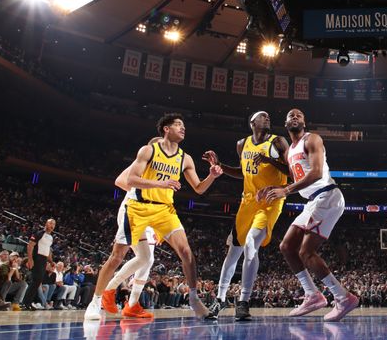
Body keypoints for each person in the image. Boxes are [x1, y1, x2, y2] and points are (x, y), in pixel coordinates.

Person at [84, 113, 222, 320]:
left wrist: (212, 175)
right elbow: (130, 179)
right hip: (138, 207)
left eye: (183, 125)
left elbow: (199, 189)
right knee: (117, 257)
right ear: (166, 129)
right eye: (178, 125)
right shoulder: (148, 150)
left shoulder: (186, 158)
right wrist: (162, 183)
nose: (183, 128)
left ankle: (194, 299)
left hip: (164, 209)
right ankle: (95, 302)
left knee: (186, 252)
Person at [258, 108, 359, 322]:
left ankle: (343, 297)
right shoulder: (289, 151)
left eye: (299, 115)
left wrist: (285, 190)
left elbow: (315, 172)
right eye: (291, 115)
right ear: (285, 124)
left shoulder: (312, 139)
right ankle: (312, 295)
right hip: (312, 201)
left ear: (304, 122)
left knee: (306, 252)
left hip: (327, 196)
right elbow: (294, 173)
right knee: (286, 247)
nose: (295, 117)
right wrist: (271, 179)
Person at [202, 110, 289, 321]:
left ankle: (243, 301)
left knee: (251, 244)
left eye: (268, 117)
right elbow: (242, 171)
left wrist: (269, 159)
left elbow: (291, 172)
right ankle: (220, 299)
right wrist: (219, 166)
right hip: (247, 201)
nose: (267, 118)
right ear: (252, 122)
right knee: (233, 251)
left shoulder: (278, 142)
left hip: (270, 200)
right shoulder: (242, 144)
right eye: (263, 116)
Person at [97, 137, 162, 319]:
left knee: (146, 260)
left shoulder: (162, 168)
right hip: (132, 211)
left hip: (146, 215)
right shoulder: (143, 159)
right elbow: (120, 181)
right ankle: (111, 292)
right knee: (136, 258)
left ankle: (130, 303)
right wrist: (140, 193)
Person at [22, 218, 55, 310]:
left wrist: (51, 261)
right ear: (46, 224)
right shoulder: (40, 233)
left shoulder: (51, 237)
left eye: (54, 224)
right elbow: (30, 245)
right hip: (37, 258)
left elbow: (48, 251)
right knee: (35, 281)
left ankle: (28, 302)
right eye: (50, 223)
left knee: (37, 282)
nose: (52, 226)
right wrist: (30, 259)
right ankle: (25, 302)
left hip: (44, 260)